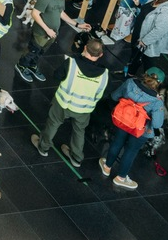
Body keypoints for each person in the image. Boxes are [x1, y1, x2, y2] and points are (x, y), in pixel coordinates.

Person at [32, 39, 110, 168]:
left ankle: (43, 147)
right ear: (101, 55)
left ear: (85, 47)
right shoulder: (105, 74)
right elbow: (103, 92)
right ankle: (76, 157)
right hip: (84, 109)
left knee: (53, 124)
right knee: (79, 131)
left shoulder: (72, 63)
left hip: (63, 104)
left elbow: (57, 76)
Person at [102, 68, 165, 190]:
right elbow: (157, 124)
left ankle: (107, 167)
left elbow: (115, 96)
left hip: (123, 121)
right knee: (130, 151)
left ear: (145, 75)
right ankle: (121, 178)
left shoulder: (130, 83)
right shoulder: (157, 102)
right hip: (141, 131)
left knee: (117, 142)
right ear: (159, 83)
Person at [17, 0, 88, 83]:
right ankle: (22, 65)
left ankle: (32, 65)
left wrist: (77, 25)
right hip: (41, 32)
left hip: (53, 33)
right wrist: (47, 30)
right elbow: (35, 14)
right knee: (33, 50)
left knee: (41, 51)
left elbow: (61, 13)